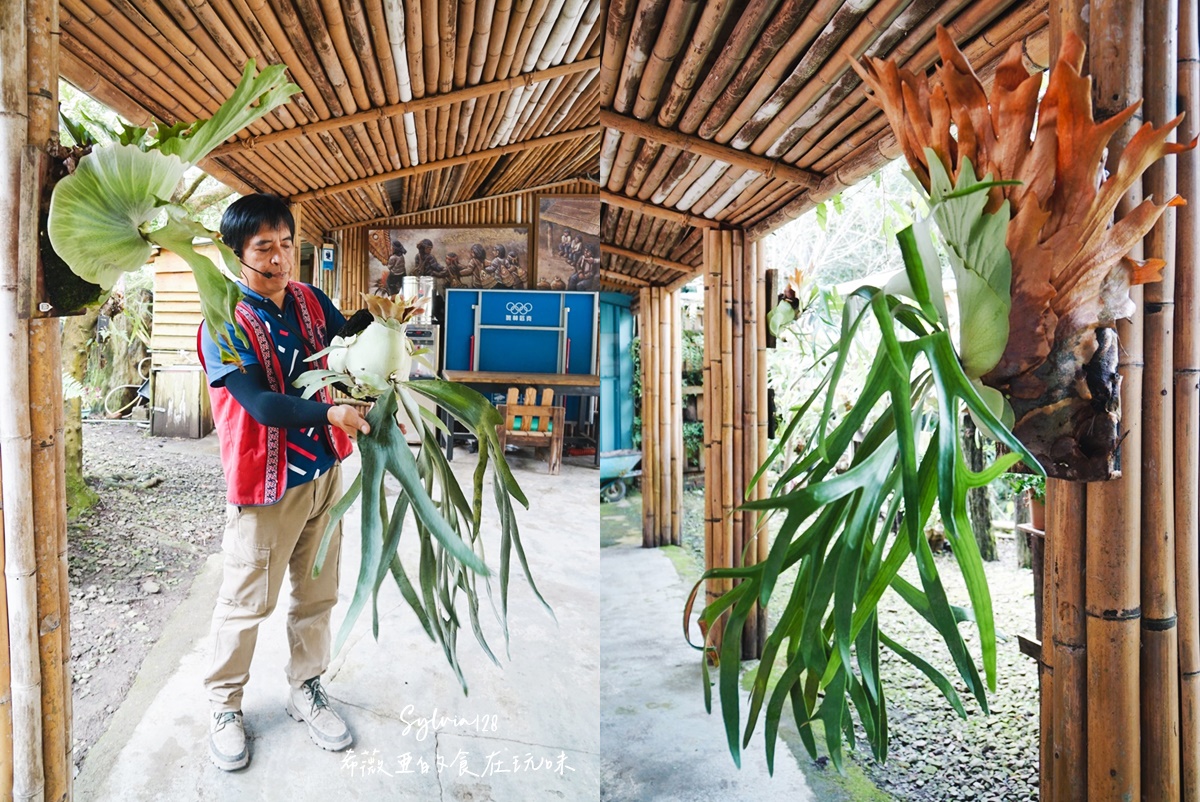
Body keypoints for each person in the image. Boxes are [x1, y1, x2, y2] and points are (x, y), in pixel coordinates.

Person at [197, 194, 370, 772]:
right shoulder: (221, 320)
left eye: (287, 243)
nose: (279, 257)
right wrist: (331, 414)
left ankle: (308, 686)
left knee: (317, 594)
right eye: (263, 247)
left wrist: (383, 319)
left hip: (325, 475)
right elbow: (261, 404)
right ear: (236, 255)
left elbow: (351, 346)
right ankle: (224, 706)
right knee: (247, 604)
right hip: (267, 487)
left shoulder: (311, 300)